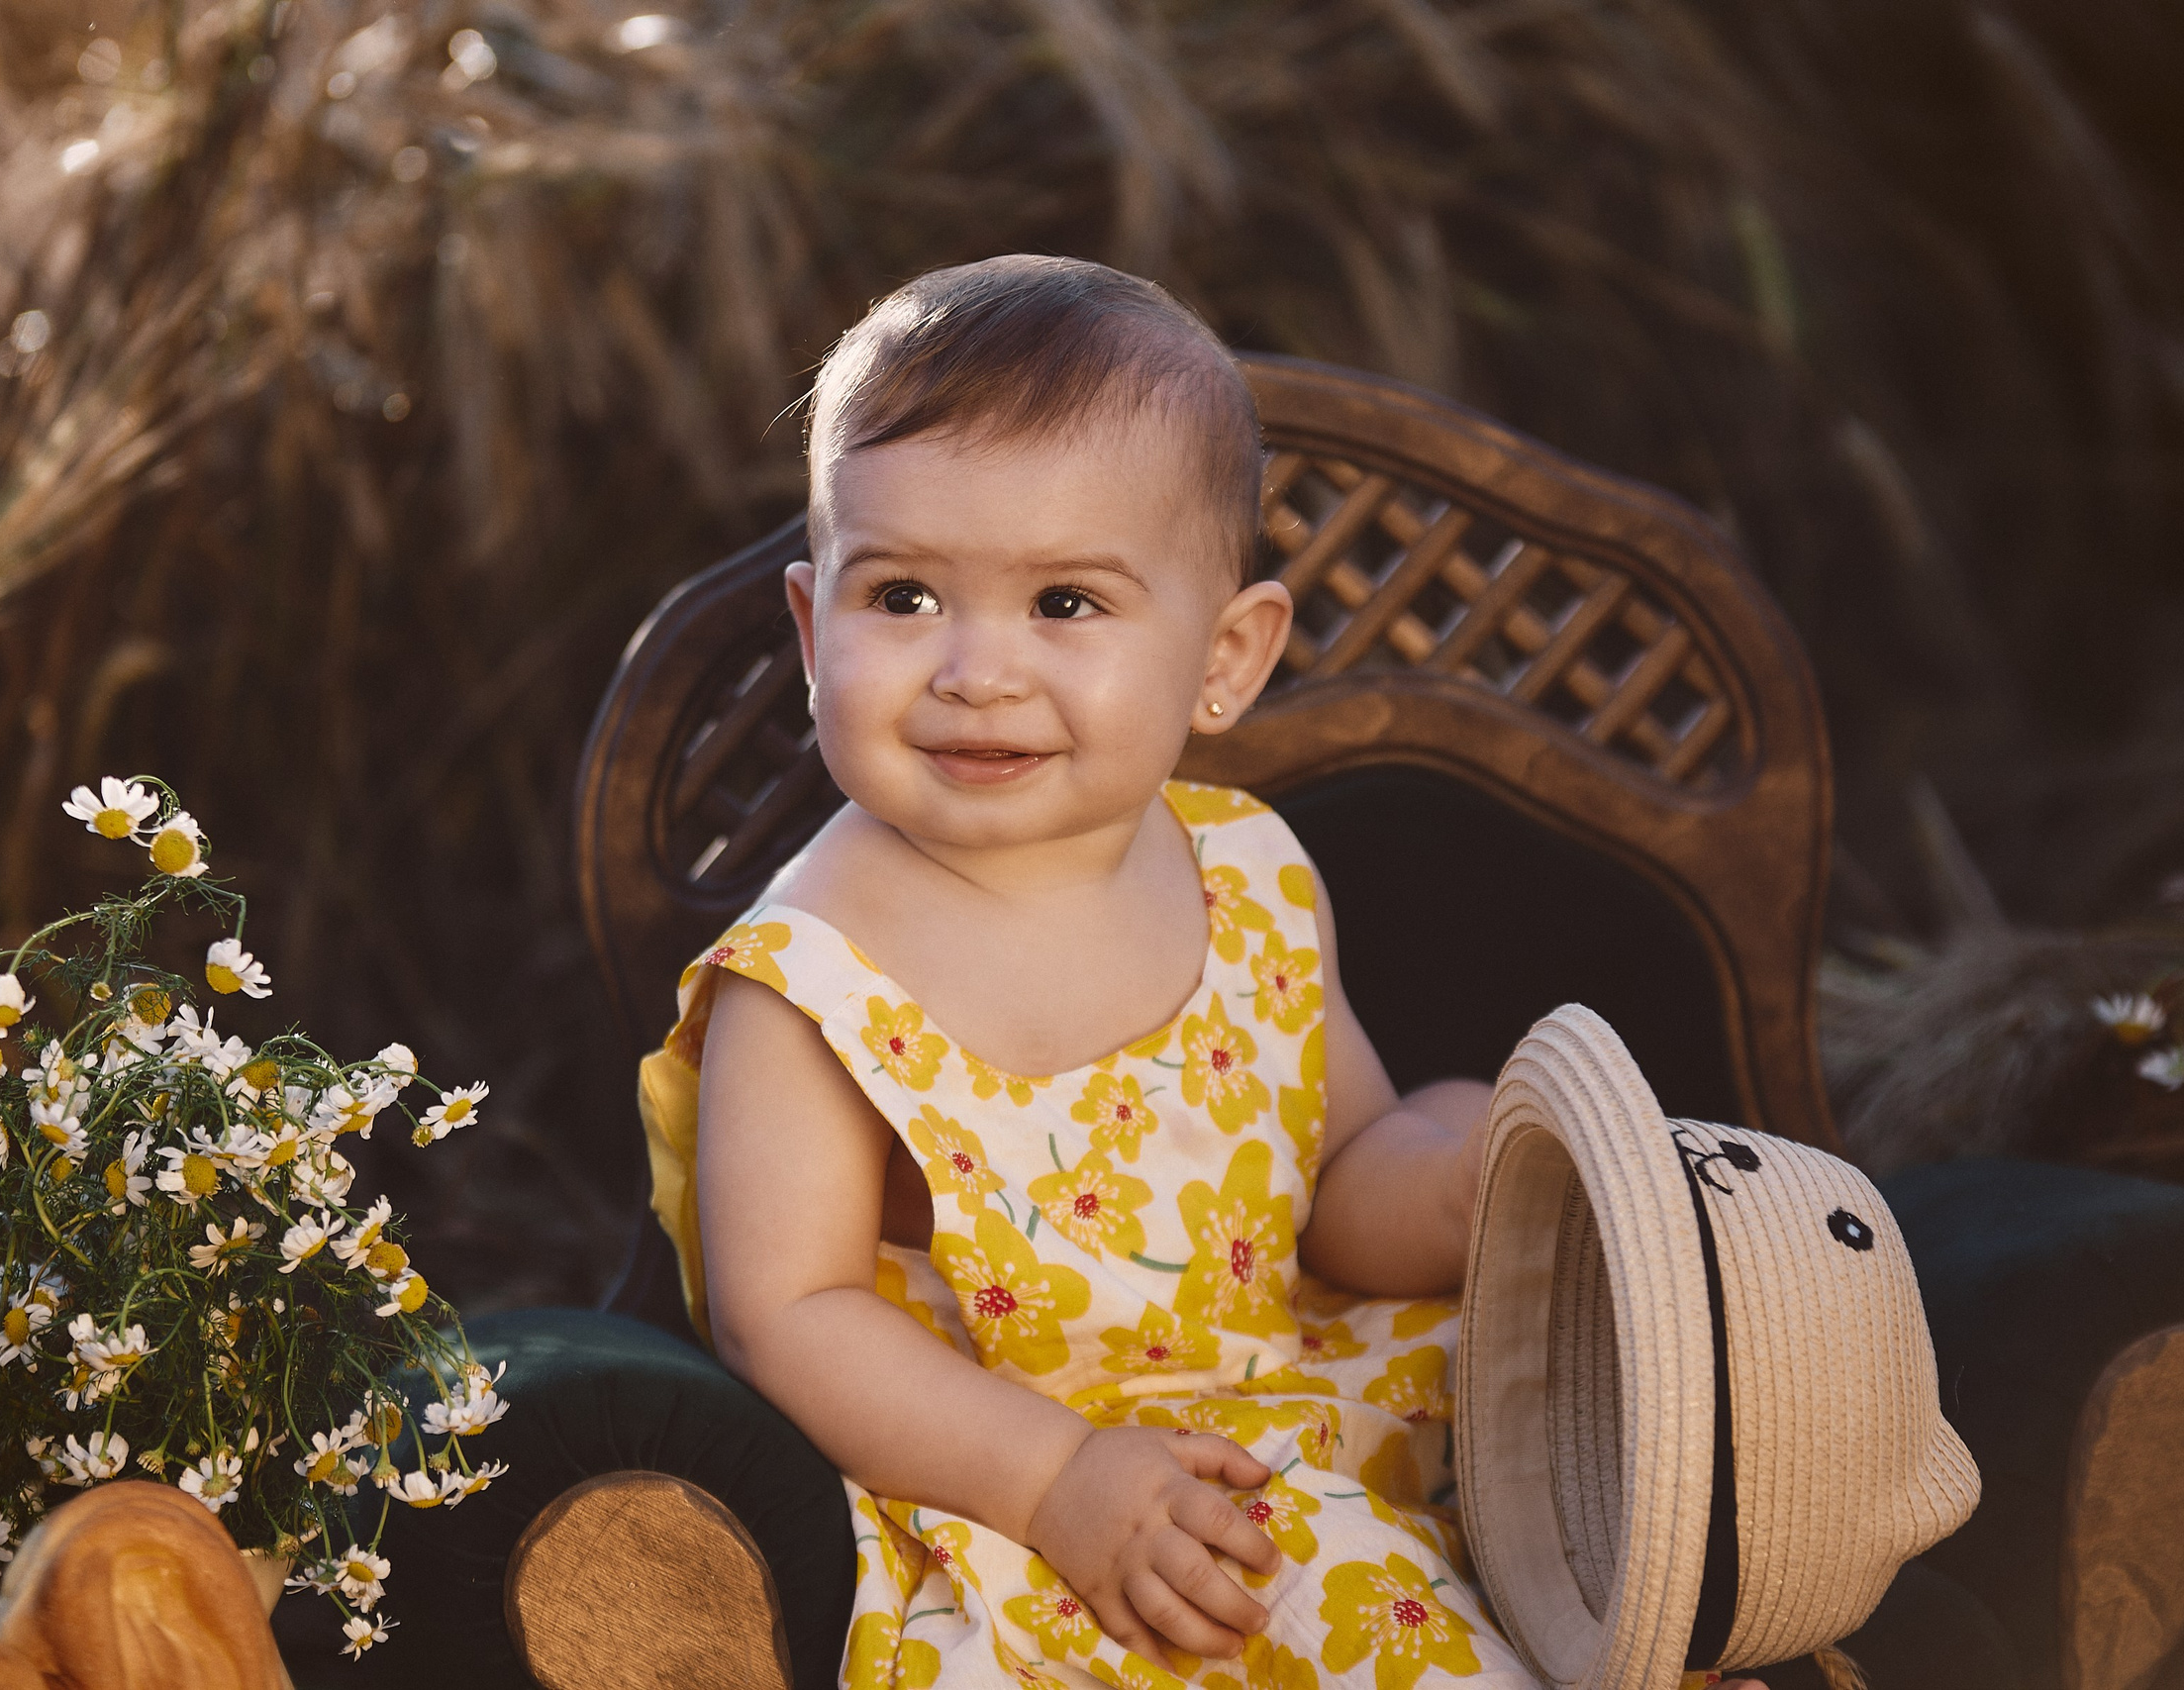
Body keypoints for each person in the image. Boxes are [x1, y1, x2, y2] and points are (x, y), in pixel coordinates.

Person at [648, 254, 1761, 1689]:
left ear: (1225, 657)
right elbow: (787, 1317)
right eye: (905, 595)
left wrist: (1454, 1182)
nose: (978, 669)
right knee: (1330, 1589)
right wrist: (1058, 1479)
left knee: (1578, 1422)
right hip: (1050, 1494)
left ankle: (1641, 1638)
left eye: (1065, 604)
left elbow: (1337, 1177)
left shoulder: (1245, 869)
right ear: (814, 633)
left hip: (1296, 1395)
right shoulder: (807, 978)